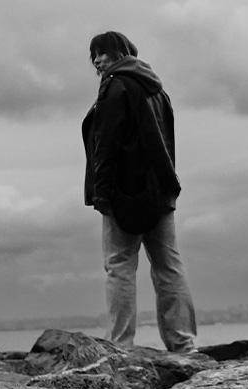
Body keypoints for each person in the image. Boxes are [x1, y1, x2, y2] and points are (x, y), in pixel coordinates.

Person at [81, 31, 197, 352]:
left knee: (119, 267)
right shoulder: (157, 89)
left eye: (103, 53)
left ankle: (120, 346)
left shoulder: (115, 87)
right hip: (161, 191)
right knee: (169, 266)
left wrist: (102, 196)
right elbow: (167, 142)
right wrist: (168, 186)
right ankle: (183, 344)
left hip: (124, 194)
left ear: (121, 52)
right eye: (94, 55)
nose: (97, 61)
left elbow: (106, 146)